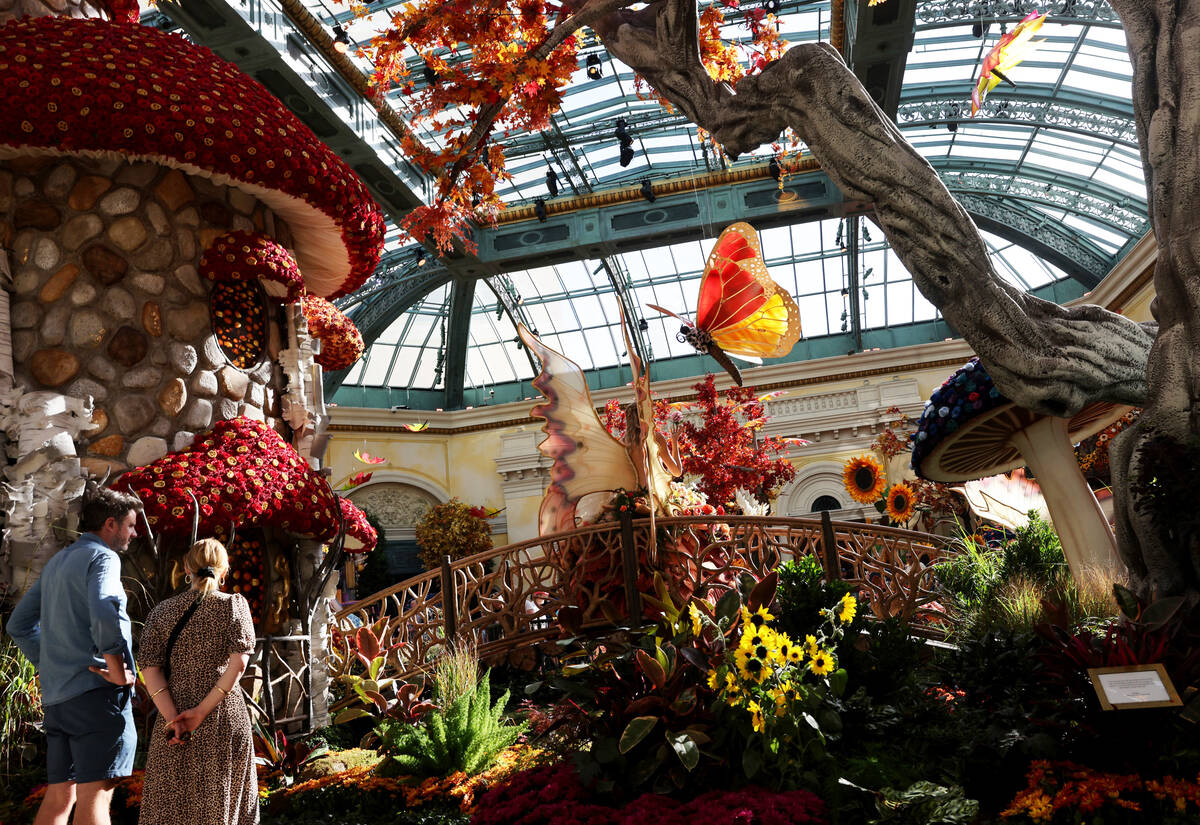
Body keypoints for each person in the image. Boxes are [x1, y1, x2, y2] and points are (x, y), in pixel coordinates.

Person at [6, 487, 141, 825]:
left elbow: (18, 624)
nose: (134, 533)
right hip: (96, 698)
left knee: (59, 797)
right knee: (94, 800)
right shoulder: (104, 557)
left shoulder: (57, 563)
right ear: (110, 524)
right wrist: (114, 666)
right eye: (130, 525)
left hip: (58, 700)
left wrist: (52, 664)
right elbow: (104, 606)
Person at [136, 538, 258, 825]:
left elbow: (149, 668)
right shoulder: (234, 607)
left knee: (171, 805)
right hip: (222, 716)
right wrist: (201, 712)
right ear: (224, 571)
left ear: (186, 570)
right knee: (220, 800)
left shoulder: (162, 612)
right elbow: (238, 664)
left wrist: (173, 720)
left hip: (174, 715)